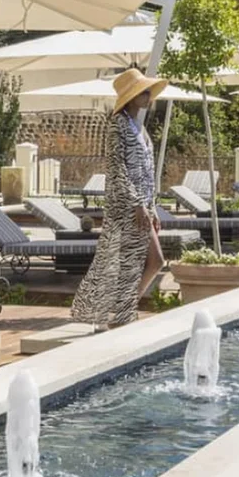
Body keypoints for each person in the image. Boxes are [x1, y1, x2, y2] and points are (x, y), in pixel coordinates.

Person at [71, 68, 167, 329]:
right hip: (125, 207)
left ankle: (117, 314)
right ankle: (118, 314)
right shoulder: (117, 125)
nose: (148, 96)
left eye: (149, 91)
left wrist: (152, 207)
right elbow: (116, 168)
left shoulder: (140, 129)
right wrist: (137, 203)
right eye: (143, 92)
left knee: (130, 261)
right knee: (137, 260)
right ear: (131, 97)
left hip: (141, 207)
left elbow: (148, 172)